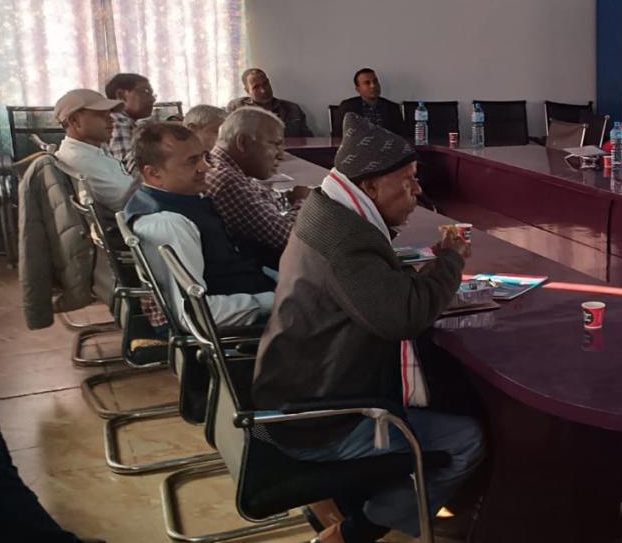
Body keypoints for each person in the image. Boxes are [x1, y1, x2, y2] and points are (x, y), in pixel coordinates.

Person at [252, 113, 483, 542]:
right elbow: (403, 317)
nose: (417, 190)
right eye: (409, 180)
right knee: (464, 439)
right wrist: (450, 259)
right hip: (321, 422)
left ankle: (342, 500)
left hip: (289, 396)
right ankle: (356, 531)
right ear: (370, 187)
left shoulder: (325, 210)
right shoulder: (349, 240)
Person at [124, 123, 275, 328]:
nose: (205, 167)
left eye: (204, 157)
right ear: (154, 174)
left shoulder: (170, 199)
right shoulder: (169, 223)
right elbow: (195, 314)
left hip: (251, 290)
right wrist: (275, 300)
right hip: (244, 321)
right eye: (192, 161)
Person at [204, 107, 311, 262]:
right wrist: (301, 202)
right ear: (243, 142)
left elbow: (270, 204)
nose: (281, 155)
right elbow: (288, 239)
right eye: (275, 144)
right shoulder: (226, 179)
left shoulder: (228, 168)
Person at [51, 89, 134, 211]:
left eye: (109, 113)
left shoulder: (91, 151)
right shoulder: (79, 160)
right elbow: (131, 202)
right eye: (101, 115)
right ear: (74, 121)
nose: (111, 119)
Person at [226, 68, 314, 138]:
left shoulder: (292, 109)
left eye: (265, 84)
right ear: (247, 91)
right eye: (256, 87)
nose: (263, 90)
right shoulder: (237, 108)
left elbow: (308, 141)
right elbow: (228, 140)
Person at [103, 73, 157, 168]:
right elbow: (129, 169)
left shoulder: (127, 122)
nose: (152, 99)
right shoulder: (119, 123)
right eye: (145, 92)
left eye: (152, 94)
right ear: (121, 95)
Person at [336, 68, 406, 137]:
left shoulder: (392, 108)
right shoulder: (347, 108)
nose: (373, 86)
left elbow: (401, 136)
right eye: (367, 83)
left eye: (375, 81)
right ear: (358, 89)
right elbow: (338, 135)